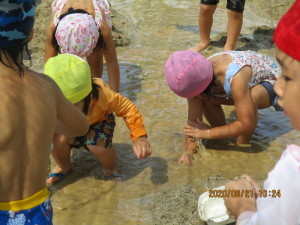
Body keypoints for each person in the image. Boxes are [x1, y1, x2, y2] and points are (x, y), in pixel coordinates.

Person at [0, 1, 89, 224]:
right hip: (38, 211)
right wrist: (44, 122)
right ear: (30, 34)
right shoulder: (46, 86)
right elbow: (80, 127)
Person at [224, 1, 300, 224]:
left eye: (286, 76)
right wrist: (268, 195)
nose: (278, 87)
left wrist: (244, 207)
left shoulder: (293, 171)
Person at [44, 54, 152, 184]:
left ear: (88, 94)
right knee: (56, 140)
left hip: (97, 122)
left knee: (97, 146)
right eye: (61, 106)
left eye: (74, 104)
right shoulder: (46, 101)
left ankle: (110, 169)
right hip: (68, 127)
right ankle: (63, 166)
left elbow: (128, 108)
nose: (68, 111)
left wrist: (139, 137)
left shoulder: (102, 95)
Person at [164, 50, 282, 164]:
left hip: (273, 81)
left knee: (252, 97)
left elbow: (246, 124)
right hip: (237, 86)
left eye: (194, 95)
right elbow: (193, 126)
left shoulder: (236, 77)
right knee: (204, 99)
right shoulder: (194, 78)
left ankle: (243, 147)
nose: (193, 98)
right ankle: (221, 135)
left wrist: (208, 133)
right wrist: (188, 153)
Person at [45, 0, 120, 92]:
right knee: (68, 67)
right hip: (67, 18)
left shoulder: (101, 26)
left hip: (92, 18)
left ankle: (93, 88)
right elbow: (49, 66)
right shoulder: (54, 27)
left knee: (95, 62)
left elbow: (111, 62)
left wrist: (115, 95)